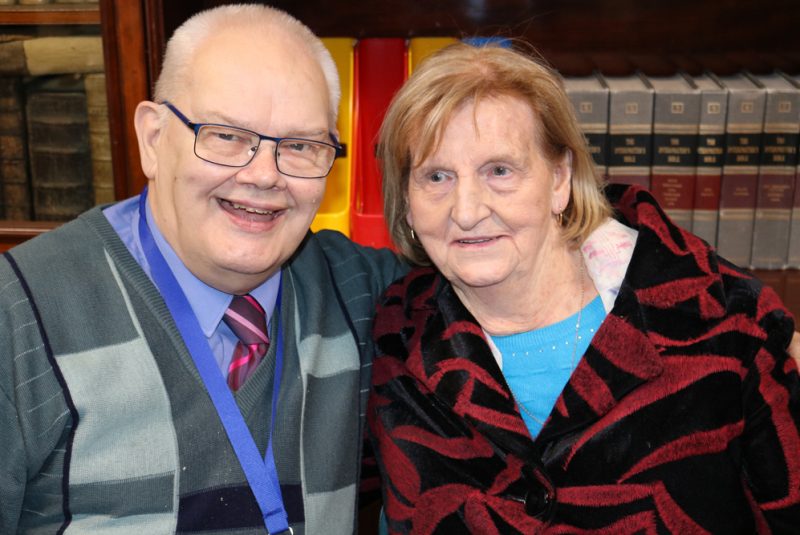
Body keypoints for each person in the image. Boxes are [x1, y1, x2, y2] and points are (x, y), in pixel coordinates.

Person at [0, 5, 405, 534]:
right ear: (152, 138)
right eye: (226, 135)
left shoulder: (361, 294)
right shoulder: (19, 313)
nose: (263, 176)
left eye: (301, 146)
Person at [368, 42, 800, 533]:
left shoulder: (718, 322)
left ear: (559, 178)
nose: (466, 211)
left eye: (500, 171)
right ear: (405, 201)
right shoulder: (394, 336)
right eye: (437, 176)